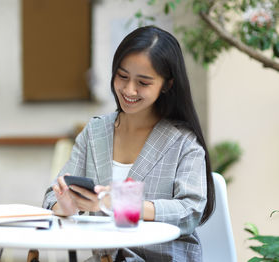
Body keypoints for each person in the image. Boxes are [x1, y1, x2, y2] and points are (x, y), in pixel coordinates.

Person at [43, 25, 215, 262]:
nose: (129, 89)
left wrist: (118, 204)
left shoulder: (183, 141)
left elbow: (190, 211)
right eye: (122, 76)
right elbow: (51, 198)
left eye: (143, 83)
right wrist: (65, 206)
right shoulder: (95, 132)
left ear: (167, 84)